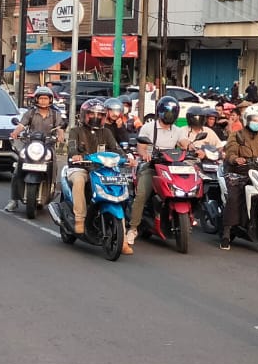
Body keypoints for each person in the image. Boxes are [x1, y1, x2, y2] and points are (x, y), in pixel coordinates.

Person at [128, 95, 191, 254]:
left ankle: (189, 216)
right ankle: (133, 228)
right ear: (160, 112)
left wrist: (193, 148)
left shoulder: (177, 130)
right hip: (151, 167)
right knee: (142, 194)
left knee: (188, 185)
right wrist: (145, 155)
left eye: (173, 111)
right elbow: (141, 147)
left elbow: (184, 142)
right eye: (167, 111)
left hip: (171, 168)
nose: (169, 114)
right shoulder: (148, 127)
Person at [60, 99, 120, 234]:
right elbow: (72, 148)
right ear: (84, 115)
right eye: (92, 114)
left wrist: (127, 158)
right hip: (80, 168)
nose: (96, 117)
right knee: (79, 181)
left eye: (100, 115)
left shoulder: (106, 132)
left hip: (101, 170)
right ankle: (80, 218)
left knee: (118, 183)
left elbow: (116, 148)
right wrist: (76, 156)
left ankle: (123, 236)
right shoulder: (76, 131)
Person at [219, 103, 258, 251]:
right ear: (247, 120)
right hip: (238, 171)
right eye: (254, 119)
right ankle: (226, 232)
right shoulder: (236, 135)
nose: (257, 122)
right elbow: (230, 152)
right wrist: (236, 159)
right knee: (234, 197)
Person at [5, 87, 60, 214]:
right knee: (17, 170)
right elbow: (21, 125)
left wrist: (60, 136)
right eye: (41, 98)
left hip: (48, 146)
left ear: (50, 100)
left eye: (46, 98)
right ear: (36, 99)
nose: (43, 101)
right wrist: (15, 133)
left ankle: (51, 189)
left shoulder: (55, 115)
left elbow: (60, 128)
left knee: (54, 167)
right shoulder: (30, 113)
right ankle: (13, 200)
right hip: (31, 146)